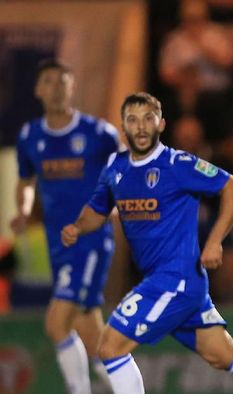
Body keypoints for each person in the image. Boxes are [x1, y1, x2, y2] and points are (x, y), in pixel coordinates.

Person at [60, 92, 233, 394]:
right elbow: (97, 212)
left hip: (174, 278)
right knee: (222, 353)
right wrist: (76, 227)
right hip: (169, 281)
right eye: (133, 120)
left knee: (110, 346)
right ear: (123, 126)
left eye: (148, 118)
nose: (141, 126)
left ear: (161, 123)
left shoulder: (177, 164)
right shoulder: (115, 169)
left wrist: (214, 241)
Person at [12, 59, 120, 393]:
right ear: (38, 89)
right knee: (92, 335)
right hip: (58, 243)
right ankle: (129, 386)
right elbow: (25, 181)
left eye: (63, 81)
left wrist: (115, 206)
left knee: (56, 323)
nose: (57, 88)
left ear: (73, 88)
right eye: (49, 81)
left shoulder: (98, 133)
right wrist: (23, 210)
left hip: (90, 239)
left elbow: (123, 174)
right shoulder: (31, 136)